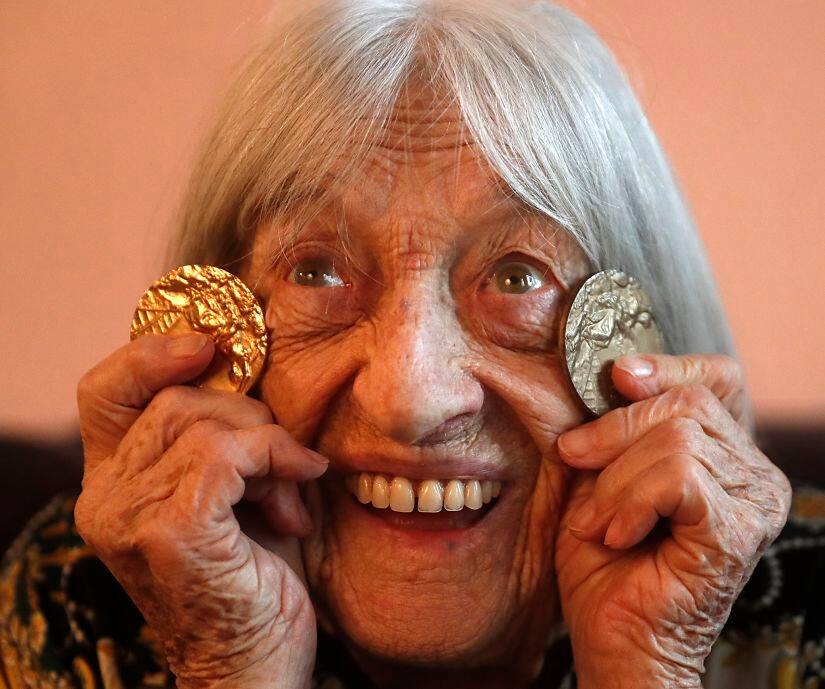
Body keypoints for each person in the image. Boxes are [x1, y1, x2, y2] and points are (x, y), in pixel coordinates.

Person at [3, 1, 820, 687]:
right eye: (317, 271)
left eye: (515, 277)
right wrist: (229, 665)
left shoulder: (808, 607)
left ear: (638, 345)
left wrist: (653, 669)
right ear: (218, 344)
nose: (409, 397)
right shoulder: (85, 595)